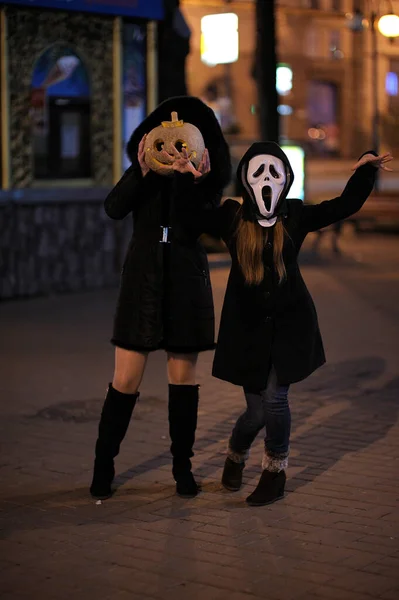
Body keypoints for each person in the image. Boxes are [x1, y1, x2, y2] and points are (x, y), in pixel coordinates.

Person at [177, 142, 393, 506]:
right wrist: (189, 181)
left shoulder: (294, 216)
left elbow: (343, 206)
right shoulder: (232, 217)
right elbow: (194, 216)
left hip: (289, 326)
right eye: (258, 172)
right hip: (247, 331)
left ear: (287, 179)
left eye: (274, 172)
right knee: (256, 412)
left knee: (276, 401)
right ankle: (236, 452)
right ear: (246, 178)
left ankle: (275, 473)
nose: (266, 180)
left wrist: (364, 171)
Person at [89, 96, 231, 500]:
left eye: (182, 143)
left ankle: (181, 468)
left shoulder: (203, 181)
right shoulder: (145, 172)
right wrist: (143, 171)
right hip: (144, 279)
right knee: (125, 381)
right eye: (165, 141)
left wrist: (191, 179)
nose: (174, 149)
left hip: (186, 279)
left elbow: (198, 225)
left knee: (183, 382)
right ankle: (104, 463)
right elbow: (114, 208)